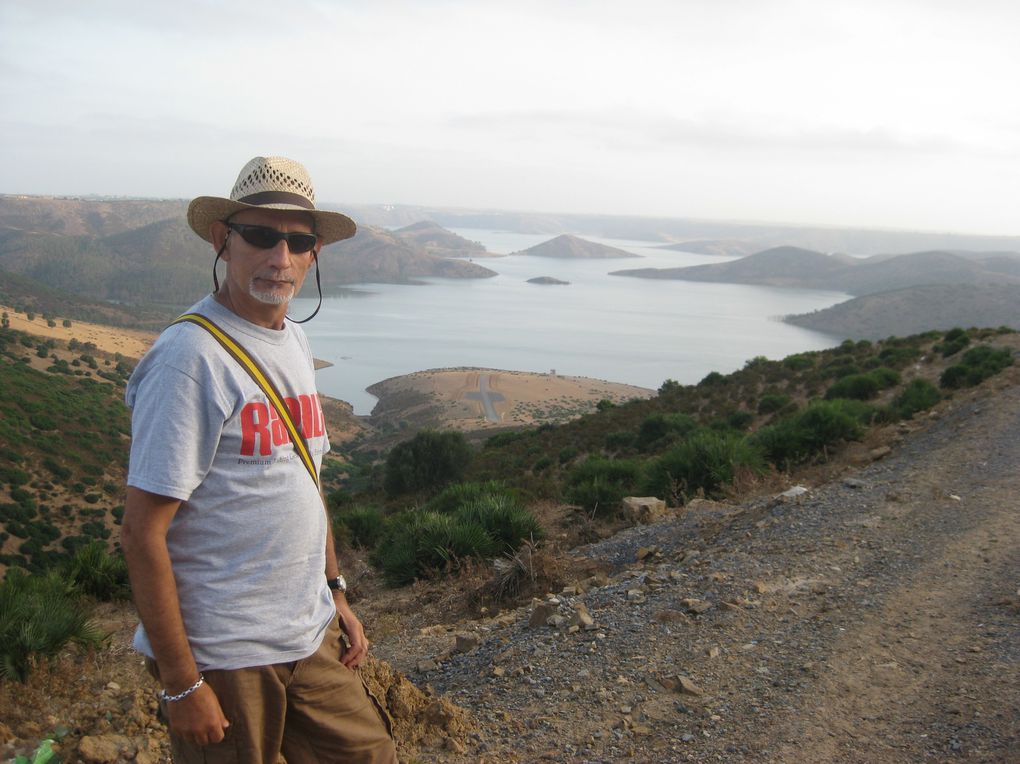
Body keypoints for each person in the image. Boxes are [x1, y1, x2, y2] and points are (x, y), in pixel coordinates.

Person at [121, 156, 397, 763]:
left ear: (314, 253)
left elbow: (305, 479)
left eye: (298, 241)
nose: (281, 257)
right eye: (261, 236)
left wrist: (337, 592)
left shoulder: (293, 339)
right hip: (225, 653)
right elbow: (142, 532)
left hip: (308, 632)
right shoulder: (188, 359)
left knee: (370, 753)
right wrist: (182, 684)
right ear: (224, 240)